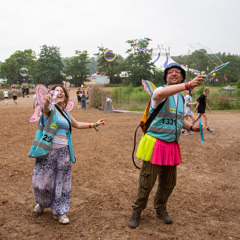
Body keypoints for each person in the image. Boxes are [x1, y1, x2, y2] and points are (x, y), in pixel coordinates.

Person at [128, 63, 205, 229]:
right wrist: (189, 85)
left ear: (182, 76)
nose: (175, 74)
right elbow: (159, 94)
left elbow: (179, 119)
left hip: (172, 145)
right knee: (147, 181)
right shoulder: (160, 92)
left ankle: (160, 208)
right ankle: (137, 210)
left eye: (178, 72)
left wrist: (191, 127)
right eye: (171, 72)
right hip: (155, 142)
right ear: (166, 77)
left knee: (169, 182)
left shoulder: (182, 99)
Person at [29, 84, 106, 225]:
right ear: (51, 94)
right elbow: (45, 109)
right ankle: (42, 203)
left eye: (61, 91)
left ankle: (60, 211)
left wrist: (95, 124)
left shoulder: (66, 113)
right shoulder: (50, 109)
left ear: (65, 95)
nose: (59, 93)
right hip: (48, 152)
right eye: (56, 91)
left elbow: (77, 124)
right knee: (43, 181)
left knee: (61, 182)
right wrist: (47, 101)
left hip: (64, 152)